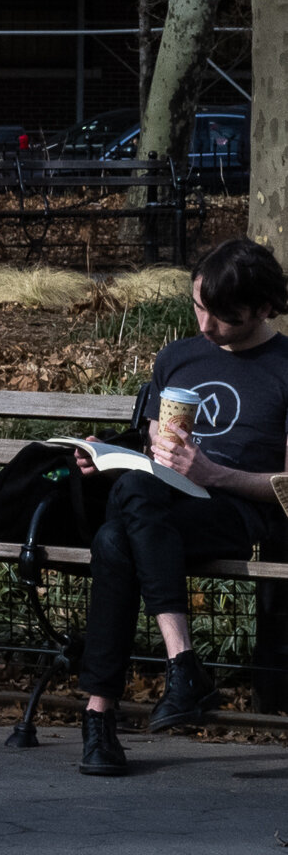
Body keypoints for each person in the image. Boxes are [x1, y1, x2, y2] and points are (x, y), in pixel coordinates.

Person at [78, 236, 288, 776]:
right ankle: (179, 669)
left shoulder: (286, 366)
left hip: (234, 514)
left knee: (122, 525)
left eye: (225, 317)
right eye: (198, 306)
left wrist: (214, 473)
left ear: (265, 308)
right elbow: (151, 445)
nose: (206, 326)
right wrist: (109, 456)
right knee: (114, 534)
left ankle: (101, 716)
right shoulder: (176, 358)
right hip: (161, 510)